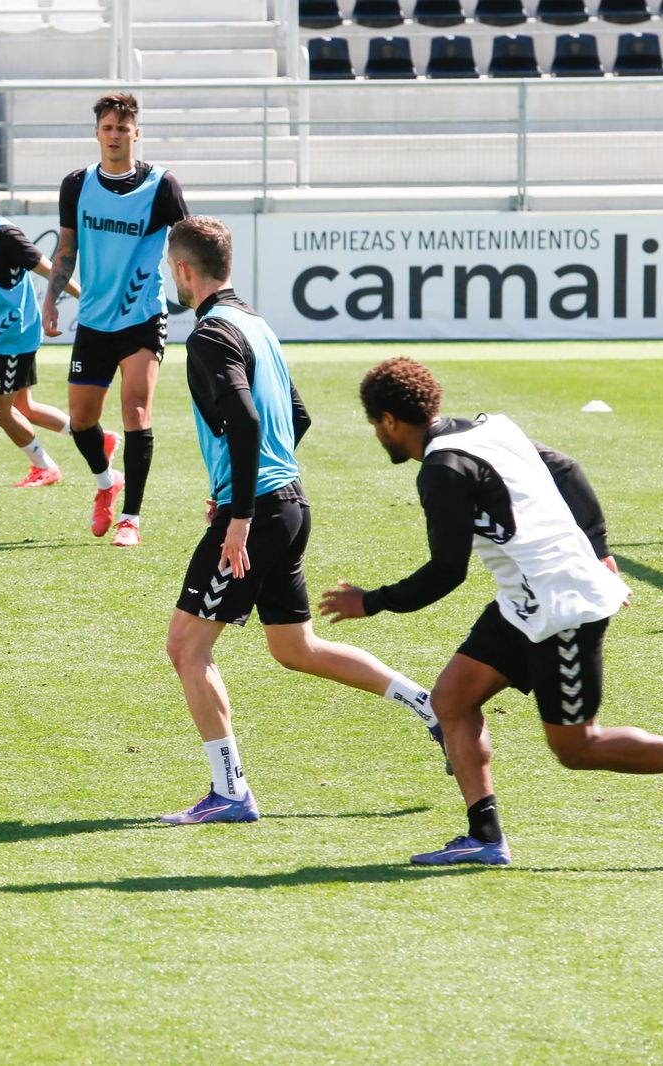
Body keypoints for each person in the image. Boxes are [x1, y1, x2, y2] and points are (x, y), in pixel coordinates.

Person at [318, 357, 663, 864]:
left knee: (578, 748)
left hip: (562, 608)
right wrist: (598, 547)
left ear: (389, 421)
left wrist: (371, 601)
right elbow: (566, 467)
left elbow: (447, 571)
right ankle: (485, 837)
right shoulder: (490, 428)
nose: (378, 434)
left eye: (375, 424)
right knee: (452, 701)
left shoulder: (442, 471)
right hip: (523, 602)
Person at [160, 219, 444, 826]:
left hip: (259, 511)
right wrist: (246, 486)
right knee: (295, 647)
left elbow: (246, 419)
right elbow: (298, 415)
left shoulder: (209, 334)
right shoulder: (256, 325)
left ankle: (231, 792)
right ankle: (430, 705)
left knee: (186, 647)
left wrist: (239, 511)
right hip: (286, 503)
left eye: (170, 270)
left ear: (184, 270)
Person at [41, 92, 187, 548]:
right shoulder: (76, 184)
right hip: (94, 319)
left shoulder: (162, 185)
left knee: (136, 412)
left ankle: (131, 519)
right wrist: (51, 299)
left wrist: (203, 300)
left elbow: (186, 245)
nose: (115, 135)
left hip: (142, 315)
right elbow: (66, 248)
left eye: (123, 128)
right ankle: (107, 482)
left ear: (136, 133)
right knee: (82, 420)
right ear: (97, 133)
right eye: (107, 128)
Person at [0, 167, 81, 488]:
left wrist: (85, 300)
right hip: (2, 331)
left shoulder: (5, 235)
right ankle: (96, 438)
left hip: (15, 332)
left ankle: (45, 467)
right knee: (23, 407)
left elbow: (50, 269)